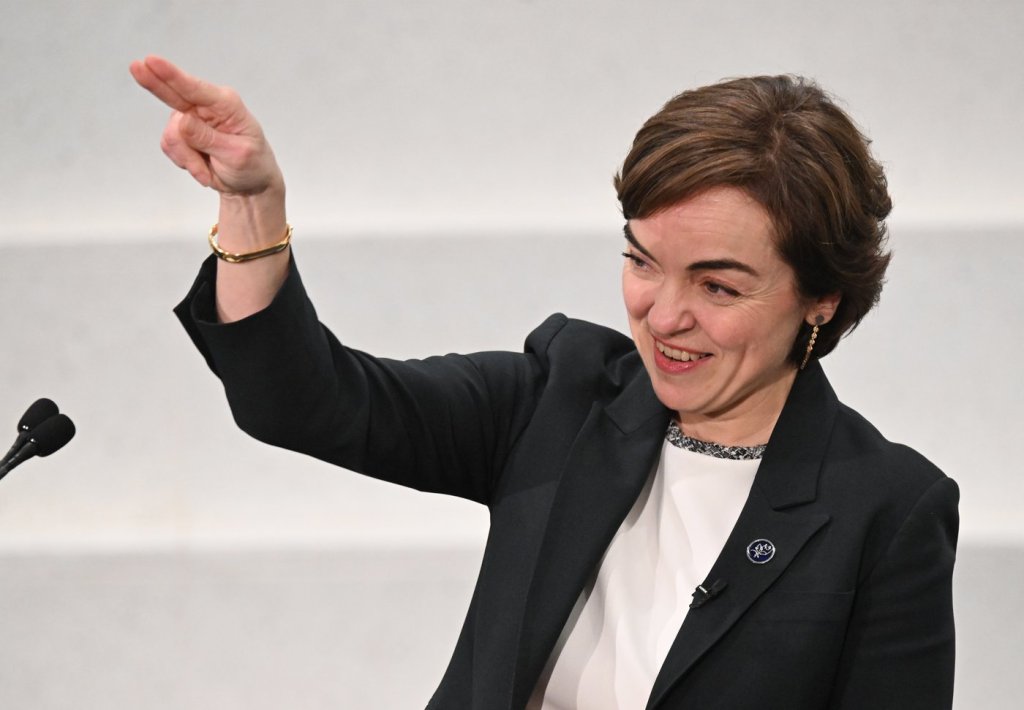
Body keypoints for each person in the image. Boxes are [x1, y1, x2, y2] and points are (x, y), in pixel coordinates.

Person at [131, 56, 959, 709]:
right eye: (642, 262)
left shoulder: (886, 510)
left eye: (717, 286)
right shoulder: (560, 397)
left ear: (821, 298)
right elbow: (304, 403)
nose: (664, 315)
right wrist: (253, 208)